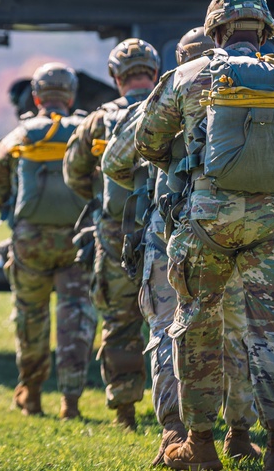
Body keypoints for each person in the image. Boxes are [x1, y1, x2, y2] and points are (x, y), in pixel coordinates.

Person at [135, 0, 274, 471]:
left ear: (216, 30)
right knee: (273, 334)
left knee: (197, 329)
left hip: (204, 225)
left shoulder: (186, 76)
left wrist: (192, 160)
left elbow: (147, 143)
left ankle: (201, 447)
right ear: (264, 30)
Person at [101, 27, 262, 465]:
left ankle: (175, 432)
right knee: (235, 331)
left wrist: (163, 168)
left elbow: (114, 162)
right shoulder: (252, 88)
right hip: (238, 228)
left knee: (170, 331)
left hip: (171, 234)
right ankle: (239, 434)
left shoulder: (169, 90)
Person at [0, 63, 97, 419]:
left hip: (30, 239)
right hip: (77, 240)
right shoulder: (86, 131)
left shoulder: (20, 134)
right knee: (76, 320)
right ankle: (71, 403)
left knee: (31, 317)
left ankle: (30, 395)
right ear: (71, 96)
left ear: (35, 97)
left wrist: (10, 214)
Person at [63, 37, 160, 430]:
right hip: (165, 235)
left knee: (120, 322)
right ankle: (185, 417)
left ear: (115, 77)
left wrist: (103, 201)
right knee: (174, 323)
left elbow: (73, 173)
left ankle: (125, 412)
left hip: (115, 236)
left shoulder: (98, 119)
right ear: (154, 73)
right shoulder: (170, 108)